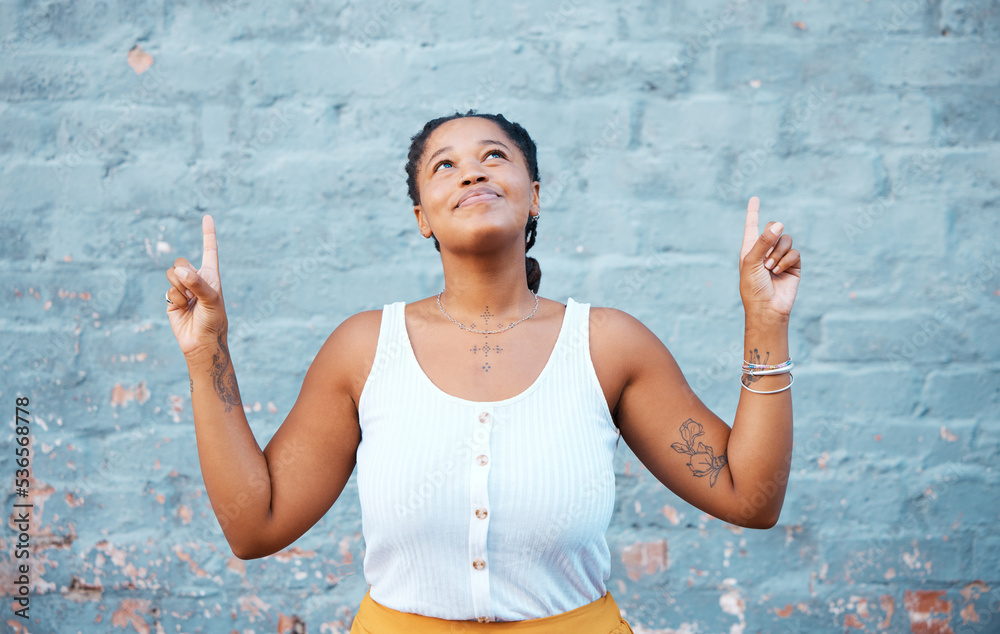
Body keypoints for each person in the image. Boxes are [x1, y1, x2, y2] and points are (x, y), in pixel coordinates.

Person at [165, 111, 801, 633]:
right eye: (444, 165)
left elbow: (751, 497)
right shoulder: (364, 349)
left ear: (535, 197)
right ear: (423, 217)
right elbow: (255, 526)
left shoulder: (608, 345)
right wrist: (208, 353)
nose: (470, 169)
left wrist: (765, 322)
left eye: (494, 156)